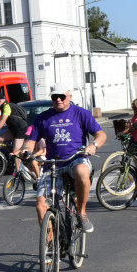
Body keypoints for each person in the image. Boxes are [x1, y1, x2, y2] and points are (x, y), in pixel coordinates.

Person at [22, 84, 106, 233]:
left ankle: (82, 212)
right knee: (41, 206)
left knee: (82, 171)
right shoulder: (43, 117)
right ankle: (50, 248)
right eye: (55, 97)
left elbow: (101, 135)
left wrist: (93, 145)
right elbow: (31, 140)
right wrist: (26, 150)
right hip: (53, 164)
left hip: (76, 158)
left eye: (62, 96)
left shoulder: (81, 113)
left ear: (70, 97)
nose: (59, 100)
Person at [0, 92, 30, 169]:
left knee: (16, 153)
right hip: (13, 129)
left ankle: (18, 174)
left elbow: (3, 120)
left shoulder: (7, 106)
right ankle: (11, 150)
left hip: (20, 130)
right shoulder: (4, 107)